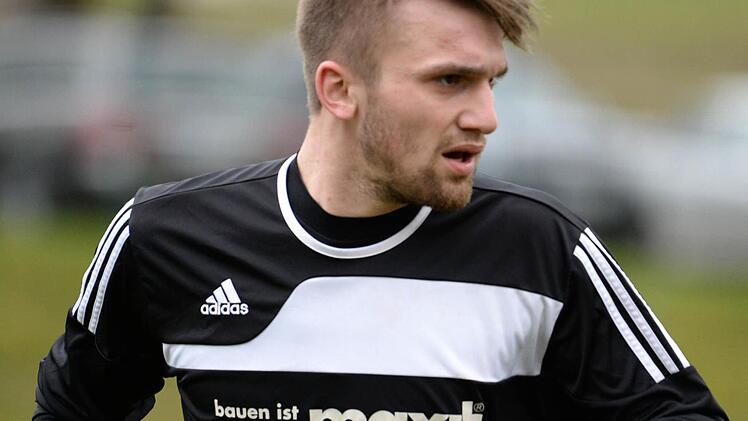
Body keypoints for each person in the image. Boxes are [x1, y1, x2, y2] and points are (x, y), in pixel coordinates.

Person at [35, 0, 728, 420]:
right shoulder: (161, 238)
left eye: (492, 82)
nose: (486, 117)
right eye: (450, 80)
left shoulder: (545, 251)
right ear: (338, 89)